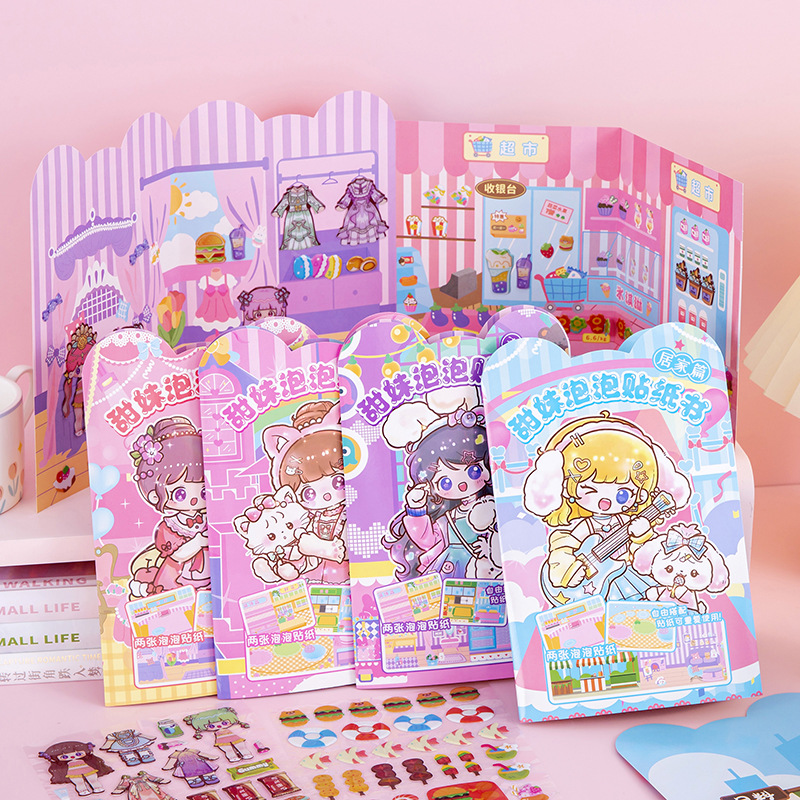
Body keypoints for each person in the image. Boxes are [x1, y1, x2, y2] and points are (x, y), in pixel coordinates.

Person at [522, 412, 691, 603]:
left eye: (622, 493)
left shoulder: (626, 520)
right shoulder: (588, 526)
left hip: (628, 574)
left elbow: (646, 554)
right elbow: (564, 545)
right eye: (590, 489)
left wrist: (642, 536)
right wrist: (568, 569)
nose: (606, 501)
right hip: (595, 585)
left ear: (641, 493)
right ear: (568, 487)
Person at [128, 416, 210, 597]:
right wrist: (199, 541)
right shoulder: (170, 527)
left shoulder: (211, 515)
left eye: (203, 491)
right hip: (177, 578)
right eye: (180, 494)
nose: (194, 499)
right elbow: (177, 556)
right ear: (155, 494)